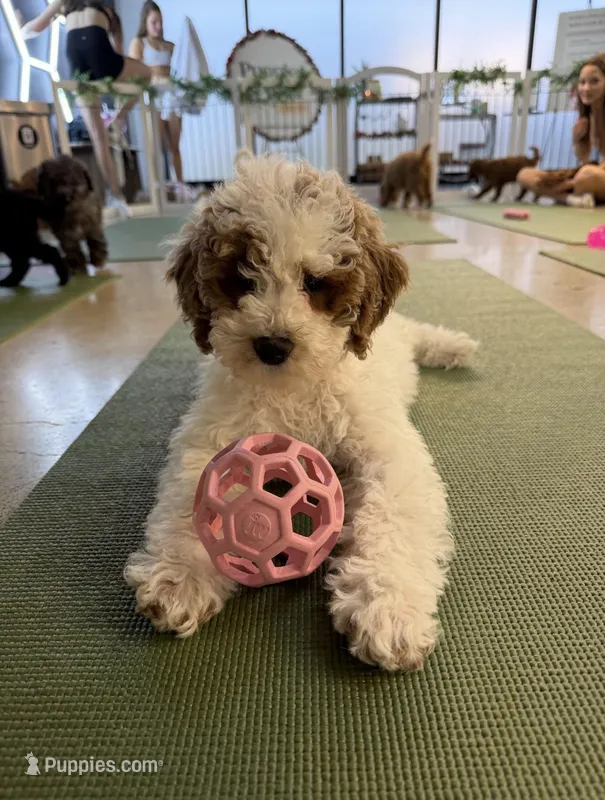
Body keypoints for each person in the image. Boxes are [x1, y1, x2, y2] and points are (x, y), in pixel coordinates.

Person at [21, 1, 152, 216]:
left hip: (77, 64)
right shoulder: (106, 9)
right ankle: (119, 118)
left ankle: (115, 195)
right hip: (102, 57)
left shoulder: (64, 4)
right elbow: (117, 50)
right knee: (145, 74)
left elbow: (34, 27)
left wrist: (21, 29)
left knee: (98, 137)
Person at [517, 53, 605, 207]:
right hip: (589, 176)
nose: (586, 88)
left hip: (593, 176)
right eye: (582, 82)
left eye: (594, 81)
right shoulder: (586, 117)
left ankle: (558, 193)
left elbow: (589, 169)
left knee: (587, 175)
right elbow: (584, 159)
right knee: (524, 174)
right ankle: (570, 198)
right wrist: (577, 140)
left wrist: (566, 181)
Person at [129, 1, 188, 200]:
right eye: (154, 22)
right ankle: (155, 187)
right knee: (154, 143)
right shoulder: (139, 43)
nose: (158, 26)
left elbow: (180, 70)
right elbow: (134, 70)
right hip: (151, 98)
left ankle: (179, 184)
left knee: (174, 144)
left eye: (160, 22)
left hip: (170, 98)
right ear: (145, 21)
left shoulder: (169, 46)